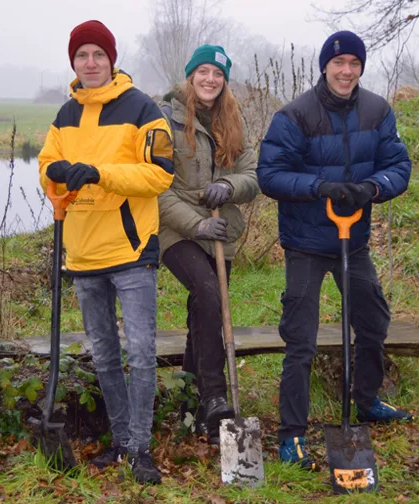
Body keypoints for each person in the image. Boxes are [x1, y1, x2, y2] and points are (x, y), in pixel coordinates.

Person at [256, 30, 413, 469]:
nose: (346, 71)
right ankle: (292, 435)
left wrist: (372, 187)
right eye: (338, 63)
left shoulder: (378, 111)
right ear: (325, 67)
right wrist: (318, 186)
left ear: (361, 68)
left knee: (373, 319)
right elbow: (270, 174)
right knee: (300, 339)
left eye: (354, 64)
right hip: (306, 243)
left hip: (354, 240)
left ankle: (365, 400)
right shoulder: (294, 116)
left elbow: (399, 166)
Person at [37, 20, 174, 485]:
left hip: (131, 249)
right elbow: (46, 167)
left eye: (98, 54)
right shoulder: (63, 115)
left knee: (140, 350)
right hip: (81, 252)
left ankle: (140, 448)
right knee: (104, 356)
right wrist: (55, 172)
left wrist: (98, 173)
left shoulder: (142, 109)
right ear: (73, 62)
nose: (90, 63)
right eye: (82, 56)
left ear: (112, 59)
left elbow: (159, 175)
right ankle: (119, 442)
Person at [157, 45, 259, 444]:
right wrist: (196, 224)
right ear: (190, 75)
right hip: (177, 228)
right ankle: (215, 396)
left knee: (203, 312)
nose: (210, 80)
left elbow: (253, 174)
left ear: (224, 81)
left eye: (218, 74)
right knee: (208, 293)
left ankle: (190, 404)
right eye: (203, 72)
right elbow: (158, 188)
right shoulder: (165, 118)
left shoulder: (232, 120)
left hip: (220, 232)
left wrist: (228, 185)